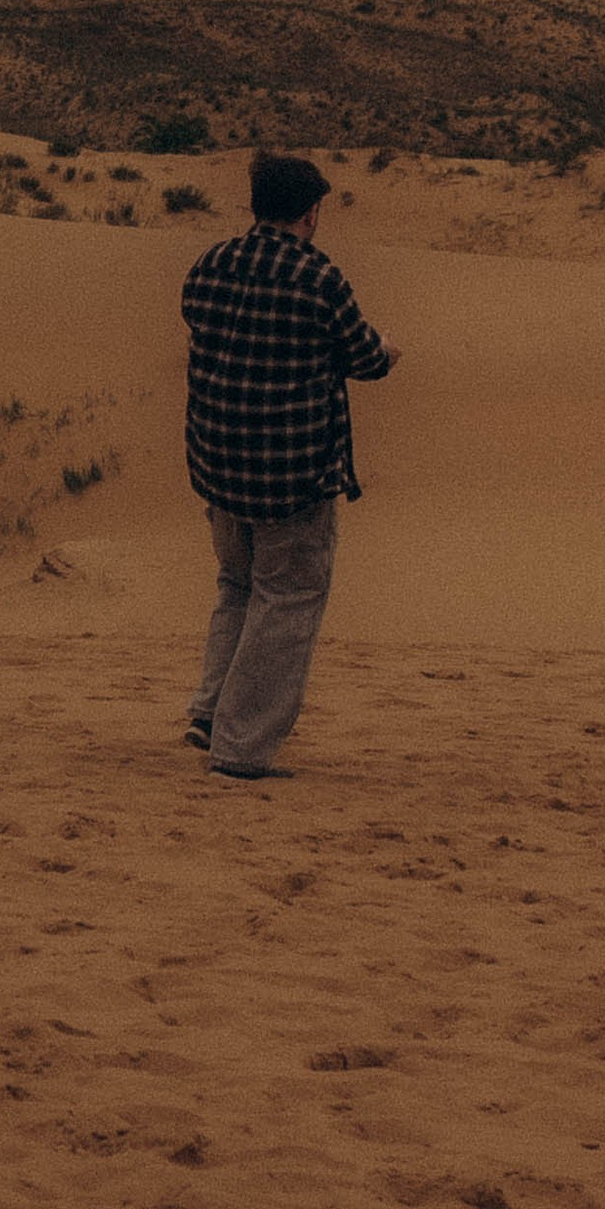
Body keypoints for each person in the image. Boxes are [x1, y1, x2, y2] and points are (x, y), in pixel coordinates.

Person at [180, 150, 396, 780]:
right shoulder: (318, 277)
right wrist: (388, 347)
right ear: (311, 210)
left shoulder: (211, 263)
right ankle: (242, 748)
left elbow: (196, 319)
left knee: (238, 587)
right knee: (288, 599)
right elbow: (365, 358)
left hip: (219, 464)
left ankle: (209, 714)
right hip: (291, 474)